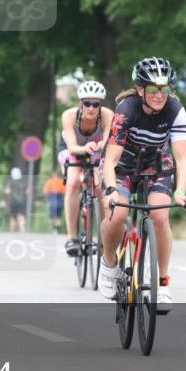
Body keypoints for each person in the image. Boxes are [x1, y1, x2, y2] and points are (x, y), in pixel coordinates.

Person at [99, 57, 186, 312]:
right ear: (140, 90)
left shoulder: (175, 109)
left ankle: (162, 284)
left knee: (161, 217)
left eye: (165, 89)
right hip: (123, 164)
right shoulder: (126, 109)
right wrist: (109, 190)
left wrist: (181, 192)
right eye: (153, 89)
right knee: (117, 214)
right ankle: (109, 264)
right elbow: (110, 160)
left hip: (155, 164)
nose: (160, 95)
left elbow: (182, 157)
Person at [58, 80, 114, 256]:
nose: (91, 108)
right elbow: (72, 146)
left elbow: (108, 142)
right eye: (87, 103)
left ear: (100, 105)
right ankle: (72, 236)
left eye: (95, 104)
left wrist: (98, 147)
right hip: (72, 149)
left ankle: (104, 234)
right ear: (80, 103)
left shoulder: (107, 115)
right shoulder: (69, 116)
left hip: (96, 151)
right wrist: (85, 148)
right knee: (73, 182)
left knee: (99, 185)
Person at [5, 167, 27, 233]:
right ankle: (22, 228)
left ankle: (13, 231)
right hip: (21, 201)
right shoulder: (23, 182)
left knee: (13, 217)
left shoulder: (10, 182)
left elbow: (7, 191)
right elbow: (28, 192)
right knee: (21, 215)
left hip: (13, 202)